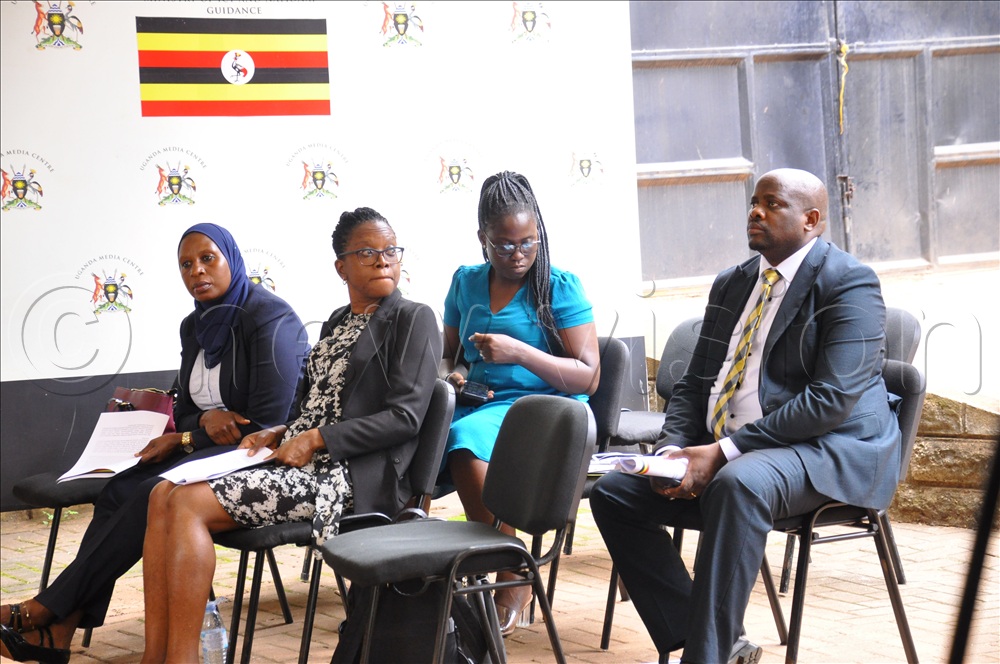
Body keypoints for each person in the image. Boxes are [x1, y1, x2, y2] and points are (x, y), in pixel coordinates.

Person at [590, 168, 901, 664]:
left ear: (811, 220)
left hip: (830, 448)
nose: (756, 212)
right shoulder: (734, 283)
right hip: (740, 447)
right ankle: (708, 641)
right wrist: (672, 451)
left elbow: (831, 400)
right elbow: (695, 383)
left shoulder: (849, 283)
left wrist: (722, 451)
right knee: (616, 494)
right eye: (754, 202)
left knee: (739, 483)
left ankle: (706, 657)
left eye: (773, 204)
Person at [139, 207, 442, 663]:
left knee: (184, 503)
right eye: (367, 252)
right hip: (297, 459)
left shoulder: (413, 318)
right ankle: (156, 655)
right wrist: (279, 432)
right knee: (162, 494)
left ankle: (182, 659)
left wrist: (318, 439)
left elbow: (405, 418)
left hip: (350, 477)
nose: (383, 261)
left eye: (390, 251)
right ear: (341, 266)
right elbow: (315, 405)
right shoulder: (338, 321)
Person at [0, 223, 308, 664]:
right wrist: (203, 420)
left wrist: (190, 435)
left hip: (258, 455)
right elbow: (181, 404)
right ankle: (59, 631)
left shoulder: (270, 319)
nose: (197, 272)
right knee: (116, 492)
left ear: (232, 259)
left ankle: (49, 613)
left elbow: (268, 421)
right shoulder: (194, 326)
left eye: (208, 259)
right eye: (186, 264)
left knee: (146, 495)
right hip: (204, 450)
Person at [440, 171, 601, 635]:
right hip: (482, 404)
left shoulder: (558, 286)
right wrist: (457, 375)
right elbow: (452, 356)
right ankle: (412, 576)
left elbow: (589, 377)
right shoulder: (466, 282)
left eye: (528, 242)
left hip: (545, 409)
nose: (518, 255)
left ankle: (510, 569)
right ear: (482, 240)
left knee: (463, 440)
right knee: (416, 434)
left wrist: (520, 351)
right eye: (504, 245)